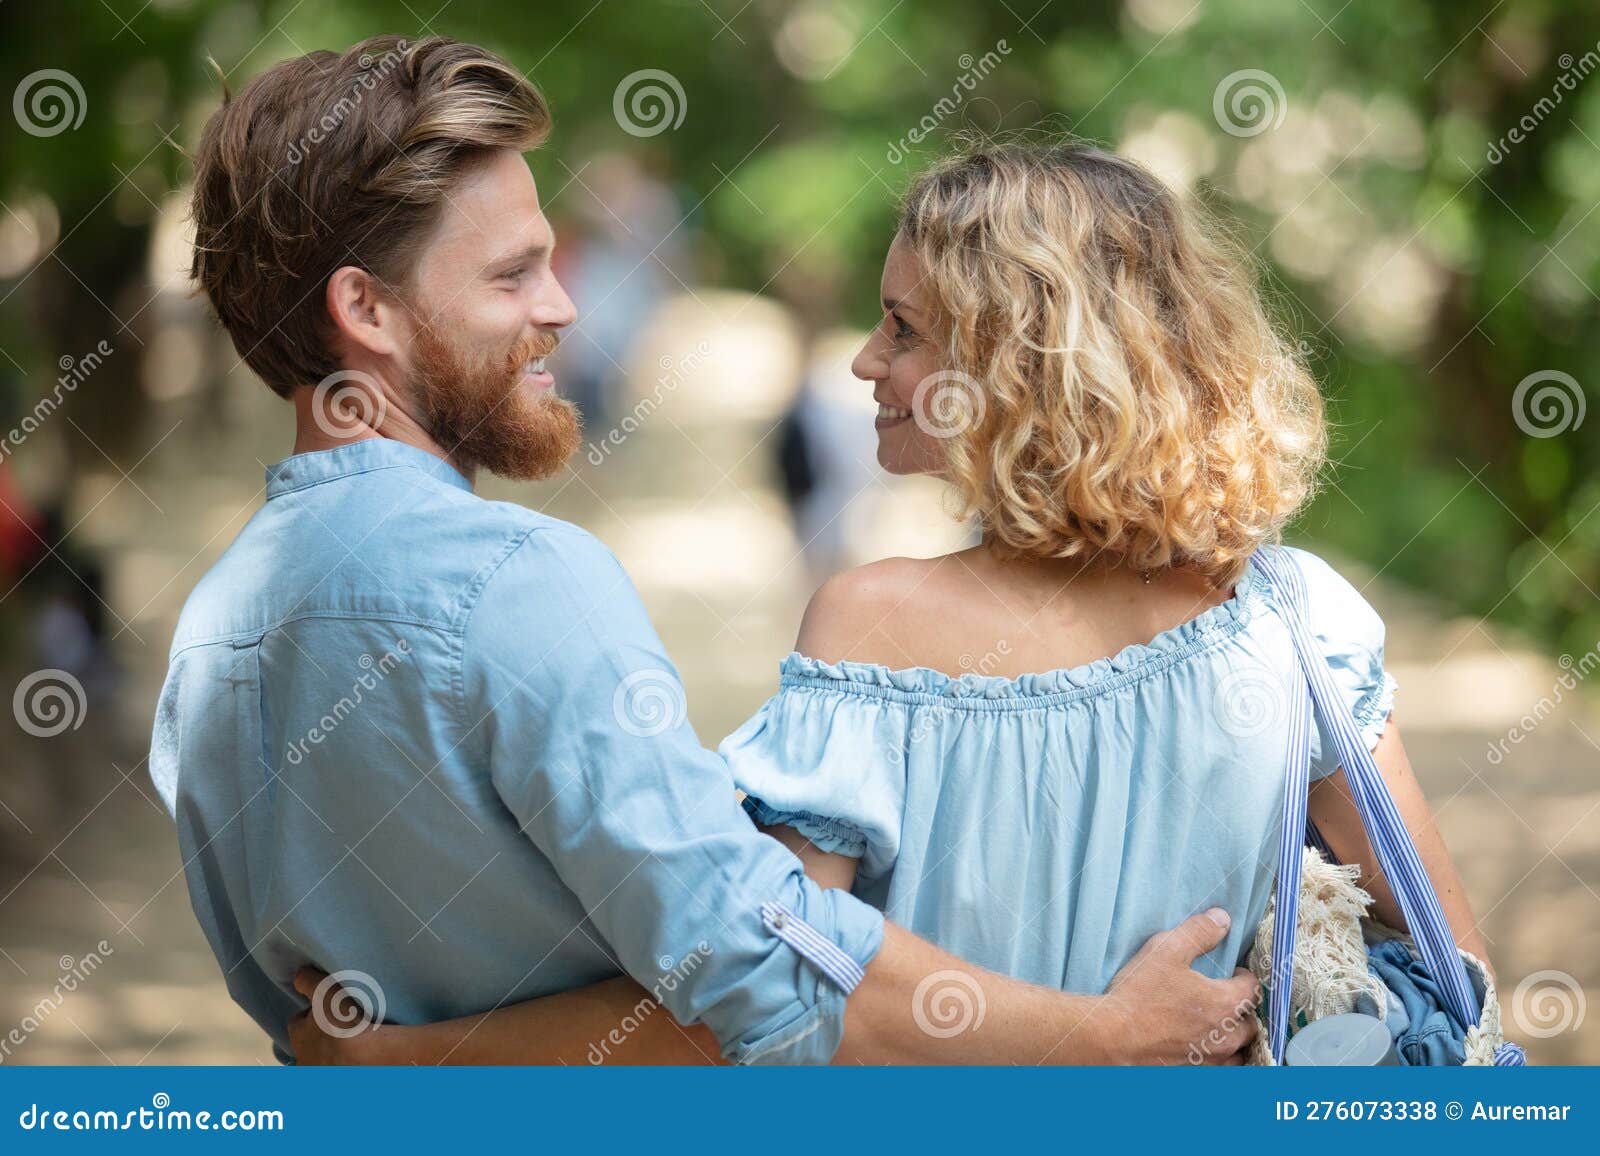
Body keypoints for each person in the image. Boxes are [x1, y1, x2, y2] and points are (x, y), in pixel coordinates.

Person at [152, 36, 1258, 1068]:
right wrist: (1110, 1032)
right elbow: (758, 982)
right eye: (510, 275)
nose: (562, 306)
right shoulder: (514, 581)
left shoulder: (210, 630)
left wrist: (385, 1061)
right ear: (368, 313)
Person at [290, 140, 1491, 1066]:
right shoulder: (1300, 621)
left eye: (904, 329)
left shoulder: (877, 630)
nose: (866, 361)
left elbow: (740, 1003)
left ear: (1018, 368)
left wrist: (411, 1057)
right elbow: (1459, 973)